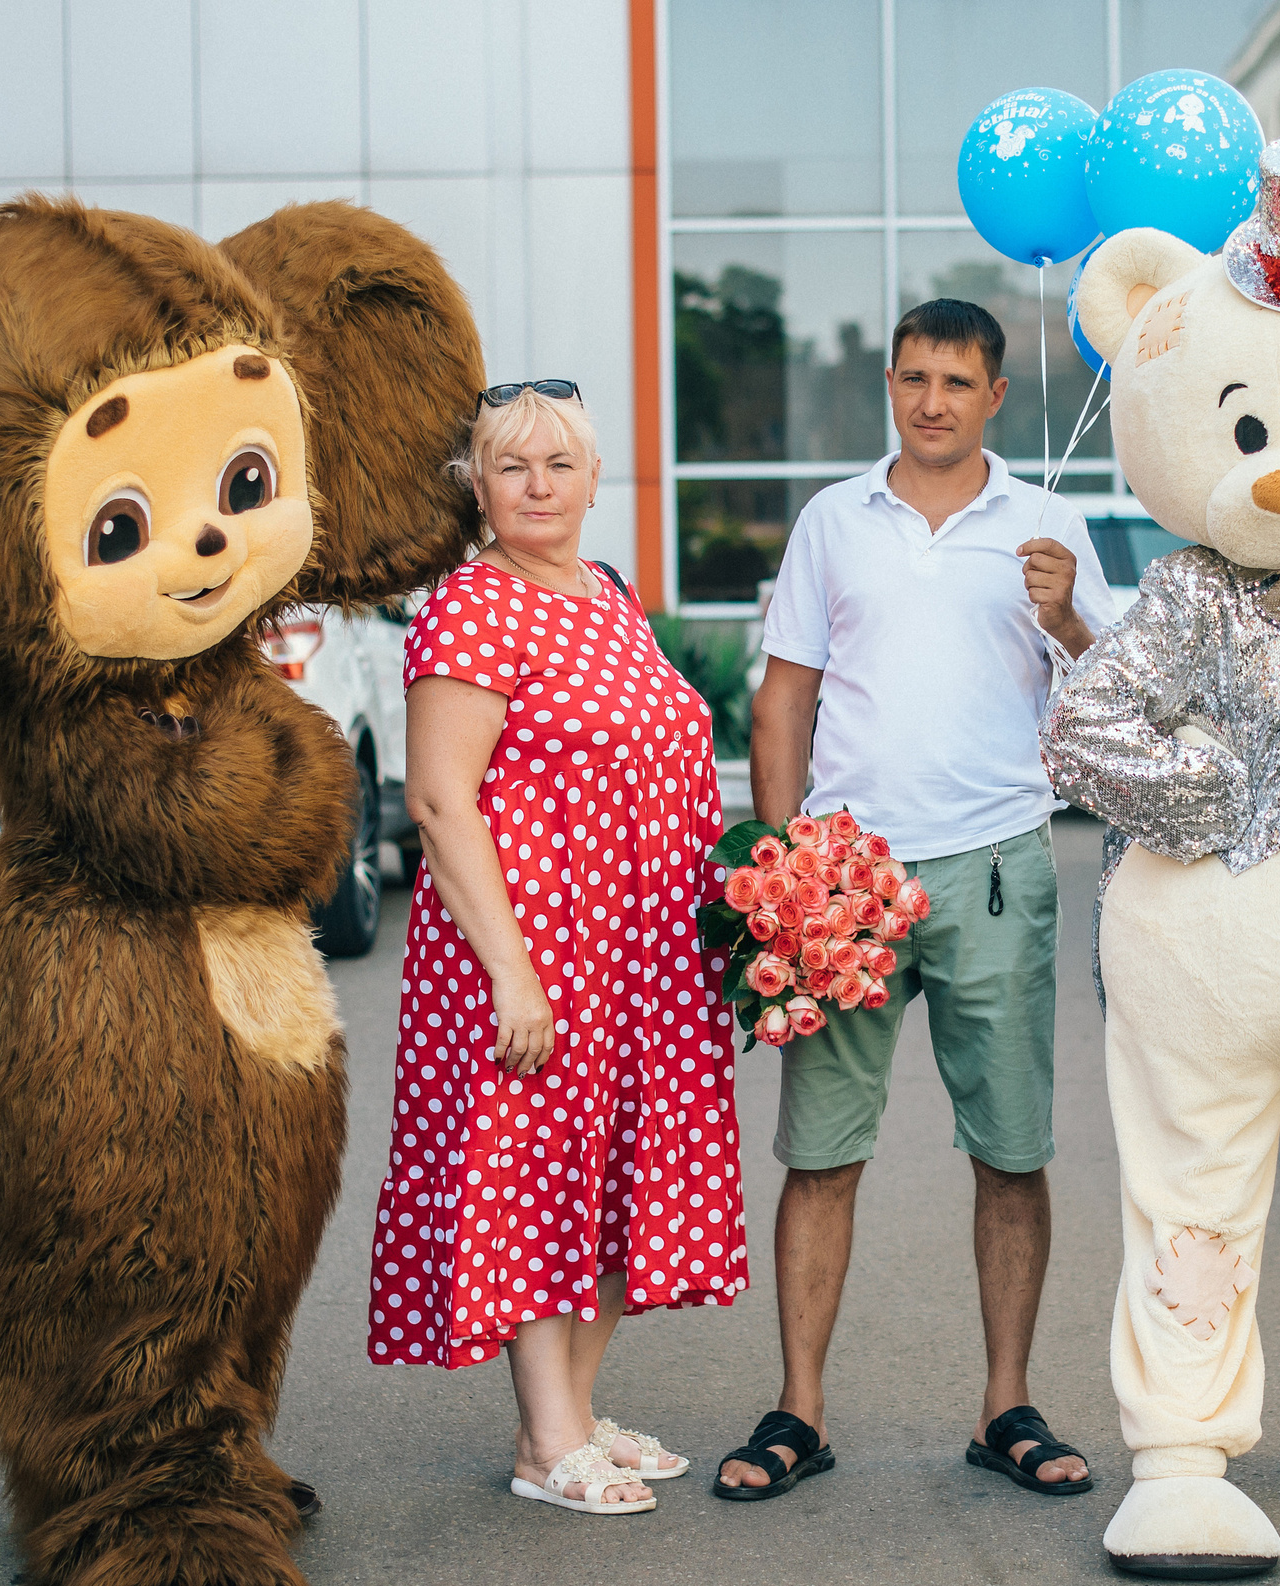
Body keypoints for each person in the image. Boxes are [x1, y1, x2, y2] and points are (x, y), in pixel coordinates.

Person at [714, 299, 1116, 1502]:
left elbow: (1108, 698)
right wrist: (782, 867)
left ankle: (1007, 1406)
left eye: (956, 380)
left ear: (997, 395)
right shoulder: (835, 521)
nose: (930, 399)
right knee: (822, 1153)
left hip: (999, 862)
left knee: (1011, 1149)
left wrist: (1068, 616)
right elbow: (782, 701)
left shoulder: (1048, 523)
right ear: (888, 384)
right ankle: (799, 1411)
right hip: (846, 879)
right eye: (911, 378)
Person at [368, 380, 748, 1516]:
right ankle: (544, 1444)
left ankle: (575, 1416)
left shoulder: (607, 593)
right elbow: (439, 801)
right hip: (530, 950)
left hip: (640, 956)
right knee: (533, 1179)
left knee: (614, 1185)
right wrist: (511, 972)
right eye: (512, 467)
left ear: (593, 478)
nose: (538, 486)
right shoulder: (471, 608)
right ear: (477, 488)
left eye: (559, 465)